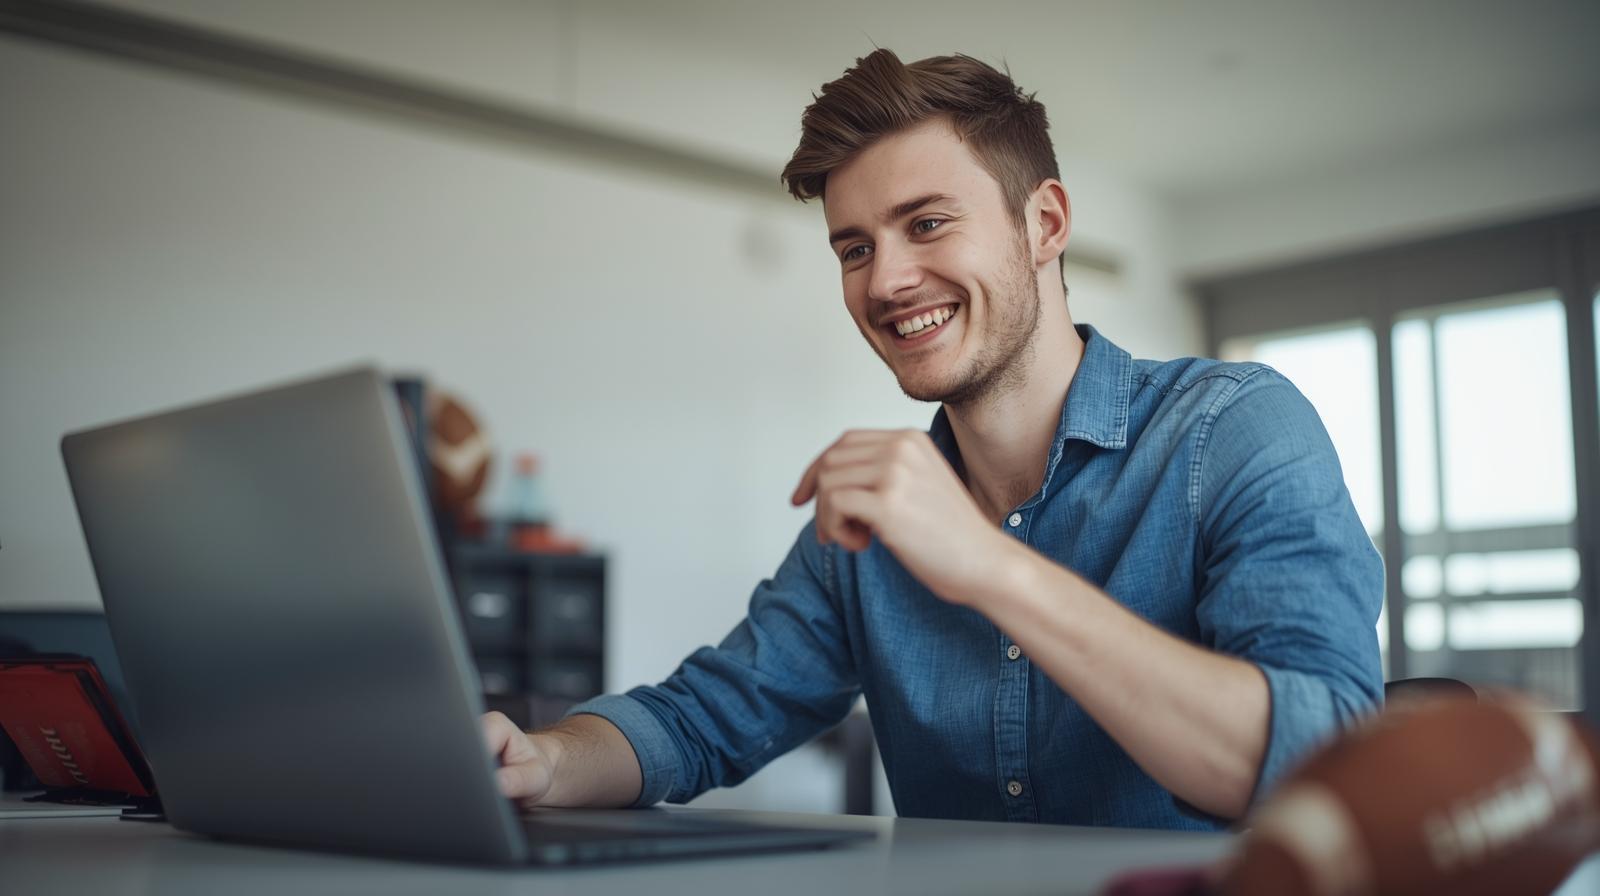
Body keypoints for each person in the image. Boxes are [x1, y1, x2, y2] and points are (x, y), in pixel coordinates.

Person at [481, 49, 1383, 829]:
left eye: (927, 223)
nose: (888, 281)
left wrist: (991, 569)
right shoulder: (873, 525)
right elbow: (700, 718)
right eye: (855, 249)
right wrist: (545, 760)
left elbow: (1327, 763)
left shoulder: (1233, 428)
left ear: (1046, 224)